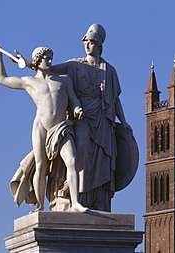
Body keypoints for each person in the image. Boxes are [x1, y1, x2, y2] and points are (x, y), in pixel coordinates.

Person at [0, 44, 88, 213]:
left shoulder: (64, 80)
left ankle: (75, 203)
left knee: (72, 161)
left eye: (51, 57)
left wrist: (77, 108)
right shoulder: (30, 81)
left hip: (61, 127)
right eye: (46, 58)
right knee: (41, 166)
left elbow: (74, 99)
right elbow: (2, 79)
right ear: (37, 60)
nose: (49, 61)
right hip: (41, 126)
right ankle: (41, 205)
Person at [50, 24, 132, 211]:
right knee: (81, 148)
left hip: (103, 119)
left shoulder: (109, 70)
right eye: (86, 41)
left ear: (100, 46)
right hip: (82, 117)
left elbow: (115, 100)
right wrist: (31, 63)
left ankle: (98, 199)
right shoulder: (74, 65)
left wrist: (124, 121)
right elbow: (48, 70)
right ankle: (77, 195)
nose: (88, 45)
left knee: (103, 158)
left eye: (92, 42)